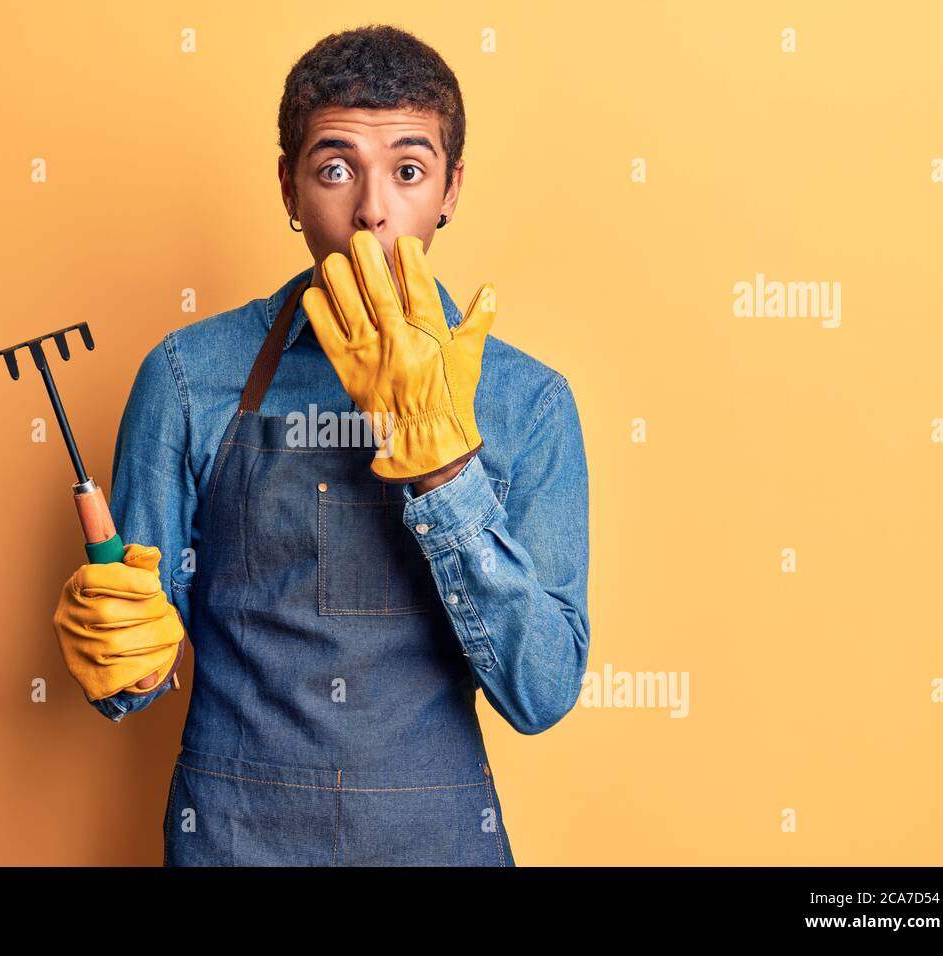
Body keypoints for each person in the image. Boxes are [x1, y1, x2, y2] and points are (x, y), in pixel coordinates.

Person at [52, 24, 590, 867]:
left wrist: (443, 467)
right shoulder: (190, 378)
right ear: (290, 189)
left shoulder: (529, 404)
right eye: (335, 168)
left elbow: (542, 691)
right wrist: (121, 654)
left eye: (409, 170)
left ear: (451, 189)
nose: (372, 207)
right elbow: (137, 674)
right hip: (232, 842)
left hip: (439, 844)